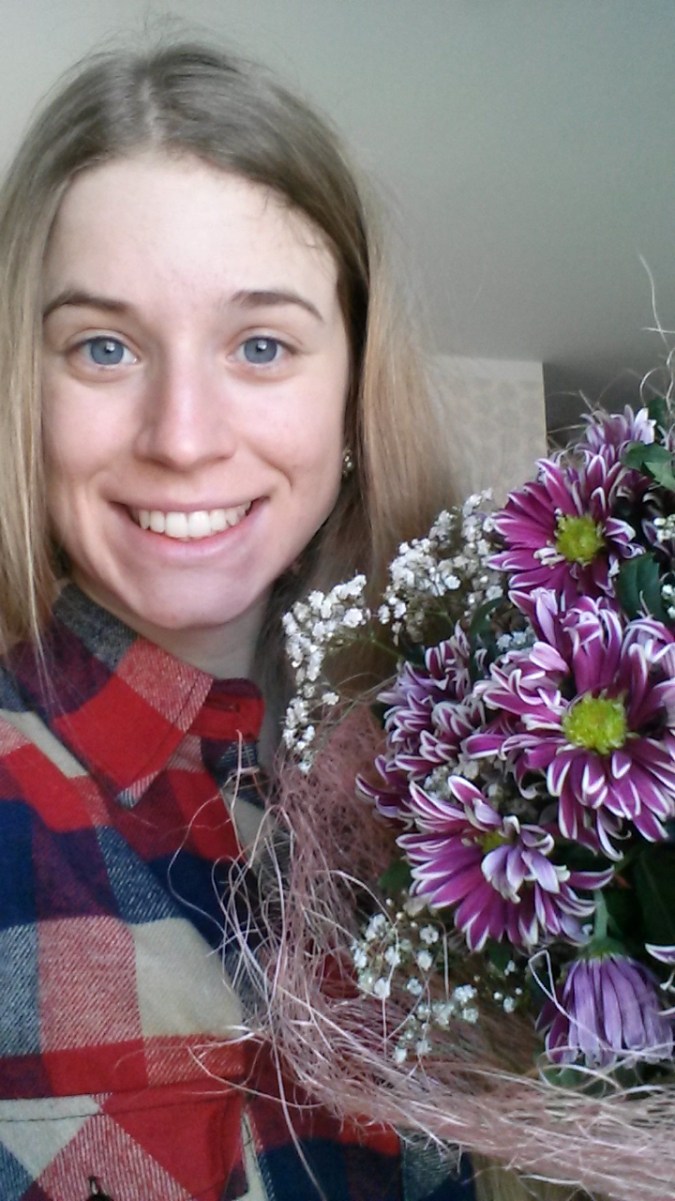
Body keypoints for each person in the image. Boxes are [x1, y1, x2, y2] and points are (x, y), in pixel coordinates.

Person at [0, 41, 473, 1201]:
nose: (183, 435)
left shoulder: (469, 775)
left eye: (261, 344)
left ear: (352, 388)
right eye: (103, 347)